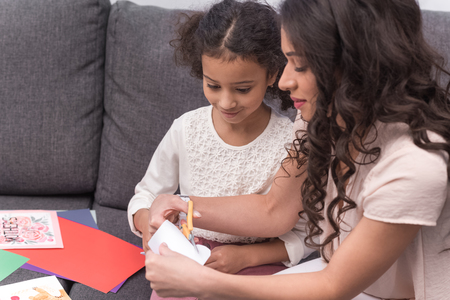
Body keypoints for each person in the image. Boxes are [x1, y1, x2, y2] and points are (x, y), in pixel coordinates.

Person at [143, 0, 450, 299]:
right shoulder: (319, 118)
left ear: (356, 66)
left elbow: (334, 287)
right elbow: (274, 211)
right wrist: (181, 204)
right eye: (286, 59)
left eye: (300, 65)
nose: (284, 81)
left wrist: (204, 283)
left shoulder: (415, 165)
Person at [127, 0, 317, 299]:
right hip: (189, 255)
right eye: (213, 85)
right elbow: (146, 195)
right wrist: (147, 223)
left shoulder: (291, 141)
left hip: (257, 263)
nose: (227, 102)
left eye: (242, 89)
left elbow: (306, 234)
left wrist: (247, 257)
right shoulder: (186, 129)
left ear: (272, 75)